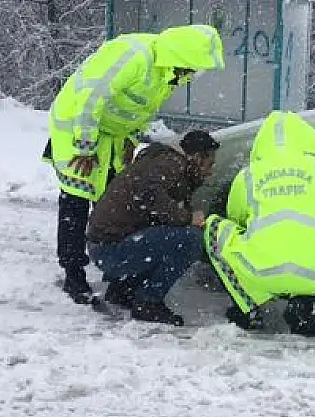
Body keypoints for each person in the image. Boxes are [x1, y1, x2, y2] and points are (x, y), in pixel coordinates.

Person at [45, 24, 224, 302]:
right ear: (181, 57)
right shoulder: (136, 57)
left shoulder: (166, 75)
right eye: (191, 69)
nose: (191, 76)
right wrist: (85, 147)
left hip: (111, 135)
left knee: (113, 198)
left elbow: (139, 110)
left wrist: (130, 138)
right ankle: (73, 272)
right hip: (78, 128)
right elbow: (91, 99)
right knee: (76, 200)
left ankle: (116, 272)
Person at [203, 110, 315, 336]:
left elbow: (235, 217)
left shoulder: (248, 175)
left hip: (262, 272)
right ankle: (310, 302)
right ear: (307, 138)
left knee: (214, 228)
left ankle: (248, 307)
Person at [84, 130, 221, 326]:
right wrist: (188, 217)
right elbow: (150, 195)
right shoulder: (172, 165)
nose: (210, 172)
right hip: (110, 251)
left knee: (169, 234)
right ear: (197, 158)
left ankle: (122, 289)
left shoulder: (161, 163)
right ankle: (148, 302)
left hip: (104, 247)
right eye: (210, 164)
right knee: (191, 239)